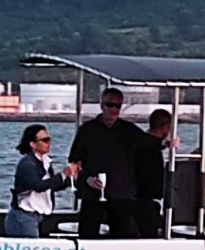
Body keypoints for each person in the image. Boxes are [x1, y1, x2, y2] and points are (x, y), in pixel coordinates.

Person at [68, 87, 160, 238]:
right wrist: (88, 179)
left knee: (121, 236)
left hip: (121, 194)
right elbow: (74, 162)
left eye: (118, 106)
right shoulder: (87, 130)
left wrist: (167, 143)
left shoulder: (128, 129)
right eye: (110, 105)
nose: (113, 109)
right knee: (87, 234)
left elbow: (149, 142)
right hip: (92, 195)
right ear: (102, 105)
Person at [6, 125, 81, 237]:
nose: (49, 143)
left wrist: (69, 180)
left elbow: (50, 186)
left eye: (49, 140)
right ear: (32, 144)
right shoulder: (27, 164)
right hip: (24, 216)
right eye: (45, 140)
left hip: (36, 216)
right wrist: (63, 175)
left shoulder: (45, 162)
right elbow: (38, 186)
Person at [132, 108, 173, 238]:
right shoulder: (149, 146)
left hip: (138, 197)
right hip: (145, 199)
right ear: (166, 127)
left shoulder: (141, 143)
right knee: (148, 234)